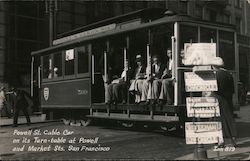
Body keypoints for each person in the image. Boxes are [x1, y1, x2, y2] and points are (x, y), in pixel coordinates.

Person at [211, 57, 237, 146]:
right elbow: (233, 90)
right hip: (228, 99)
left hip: (218, 98)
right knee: (229, 119)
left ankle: (220, 141)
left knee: (218, 119)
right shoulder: (229, 74)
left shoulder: (216, 75)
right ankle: (233, 139)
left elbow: (215, 88)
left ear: (214, 66)